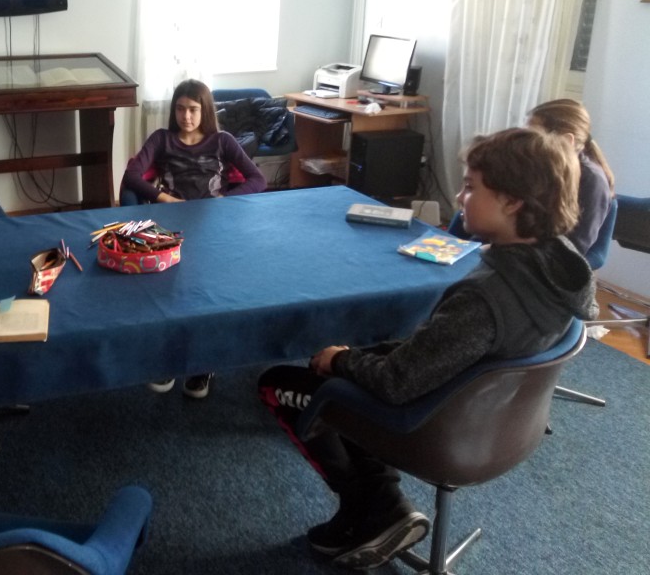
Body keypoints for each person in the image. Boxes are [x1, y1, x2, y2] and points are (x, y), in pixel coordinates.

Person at [257, 128, 598, 571]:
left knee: (278, 384)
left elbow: (396, 383)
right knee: (367, 354)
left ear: (513, 202)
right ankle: (380, 504)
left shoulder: (484, 301)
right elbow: (437, 352)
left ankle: (372, 507)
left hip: (436, 428)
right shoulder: (564, 269)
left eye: (471, 187)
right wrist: (362, 355)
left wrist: (340, 359)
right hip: (503, 426)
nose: (459, 196)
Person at [123, 79, 266, 398]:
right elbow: (132, 175)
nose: (186, 116)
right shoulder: (162, 139)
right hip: (171, 225)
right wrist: (165, 199)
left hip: (213, 226)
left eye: (193, 109)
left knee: (207, 296)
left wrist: (224, 201)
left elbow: (258, 179)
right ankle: (168, 359)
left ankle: (204, 363)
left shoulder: (222, 140)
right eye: (180, 109)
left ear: (205, 111)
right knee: (168, 296)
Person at [527, 98, 615, 256]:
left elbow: (575, 246)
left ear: (567, 140)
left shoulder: (592, 181)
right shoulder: (540, 167)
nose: (526, 142)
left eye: (534, 136)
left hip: (550, 261)